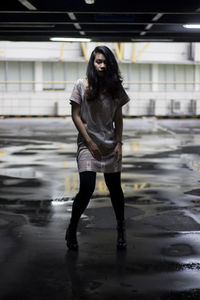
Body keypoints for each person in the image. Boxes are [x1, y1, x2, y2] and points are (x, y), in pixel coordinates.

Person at [65, 45, 130, 250]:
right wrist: (89, 141)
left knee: (115, 189)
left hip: (110, 144)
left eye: (105, 62)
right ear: (92, 63)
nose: (102, 65)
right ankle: (72, 228)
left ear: (110, 64)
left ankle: (121, 228)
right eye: (98, 61)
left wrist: (119, 143)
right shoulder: (81, 85)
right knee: (86, 187)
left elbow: (118, 119)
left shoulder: (115, 88)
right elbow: (75, 115)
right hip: (87, 143)